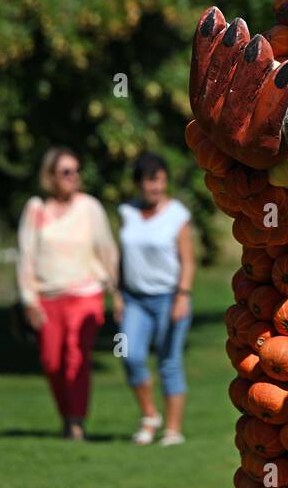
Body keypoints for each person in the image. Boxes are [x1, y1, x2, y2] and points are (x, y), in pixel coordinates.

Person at [17, 147, 119, 440]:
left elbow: (107, 251)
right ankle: (66, 416)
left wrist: (118, 292)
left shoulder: (90, 207)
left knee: (76, 356)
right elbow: (26, 256)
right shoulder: (36, 209)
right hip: (47, 296)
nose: (73, 177)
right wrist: (28, 299)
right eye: (65, 172)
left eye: (76, 171)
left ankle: (76, 421)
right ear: (50, 176)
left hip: (86, 293)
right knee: (51, 362)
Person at [116, 153, 195, 446]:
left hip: (169, 297)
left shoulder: (177, 215)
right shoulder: (126, 212)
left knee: (168, 362)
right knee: (129, 354)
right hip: (134, 299)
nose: (156, 187)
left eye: (161, 181)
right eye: (150, 181)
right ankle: (150, 415)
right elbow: (121, 259)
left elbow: (188, 261)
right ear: (139, 184)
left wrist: (182, 296)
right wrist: (118, 295)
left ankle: (172, 430)